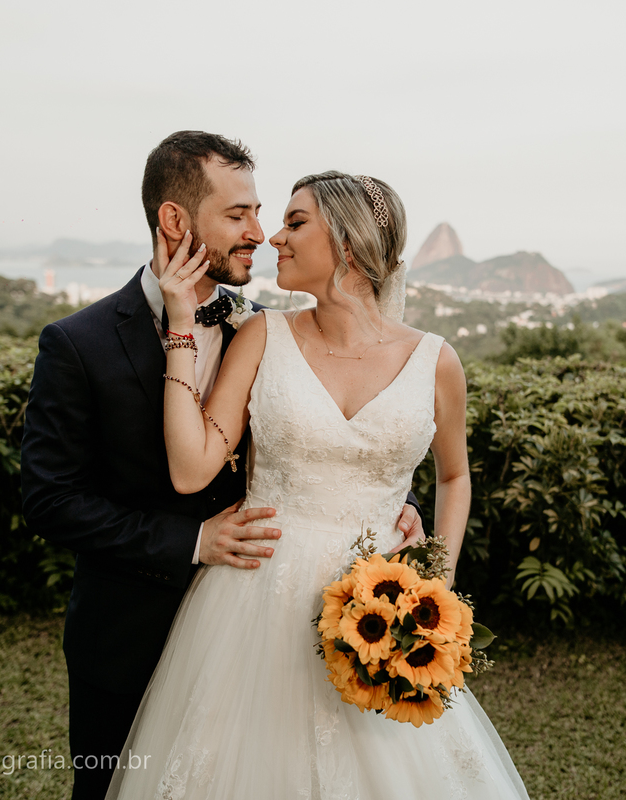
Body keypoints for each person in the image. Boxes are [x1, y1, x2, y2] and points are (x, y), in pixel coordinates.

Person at [20, 133, 424, 800]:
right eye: (238, 215)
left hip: (266, 635)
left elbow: (357, 433)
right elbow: (50, 499)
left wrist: (402, 507)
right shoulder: (78, 343)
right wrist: (194, 541)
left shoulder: (268, 330)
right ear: (175, 221)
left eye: (262, 212)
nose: (260, 233)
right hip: (129, 636)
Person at [105, 171, 529, 798]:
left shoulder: (435, 360)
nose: (274, 236)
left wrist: (436, 582)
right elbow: (191, 469)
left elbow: (454, 474)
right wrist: (179, 326)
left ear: (350, 244)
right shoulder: (261, 335)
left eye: (296, 222)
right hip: (255, 600)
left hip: (384, 604)